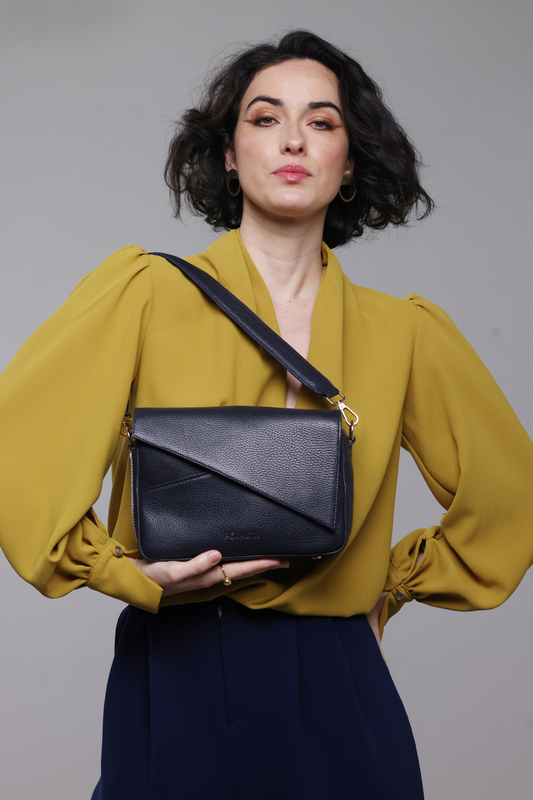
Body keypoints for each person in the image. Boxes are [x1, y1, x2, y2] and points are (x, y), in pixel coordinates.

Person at [0, 30, 532, 800]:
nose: (291, 138)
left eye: (321, 122)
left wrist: (386, 589)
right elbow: (18, 451)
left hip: (337, 673)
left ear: (349, 161)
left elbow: (510, 499)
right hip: (179, 664)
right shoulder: (145, 295)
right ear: (225, 152)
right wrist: (124, 574)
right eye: (263, 118)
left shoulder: (404, 332)